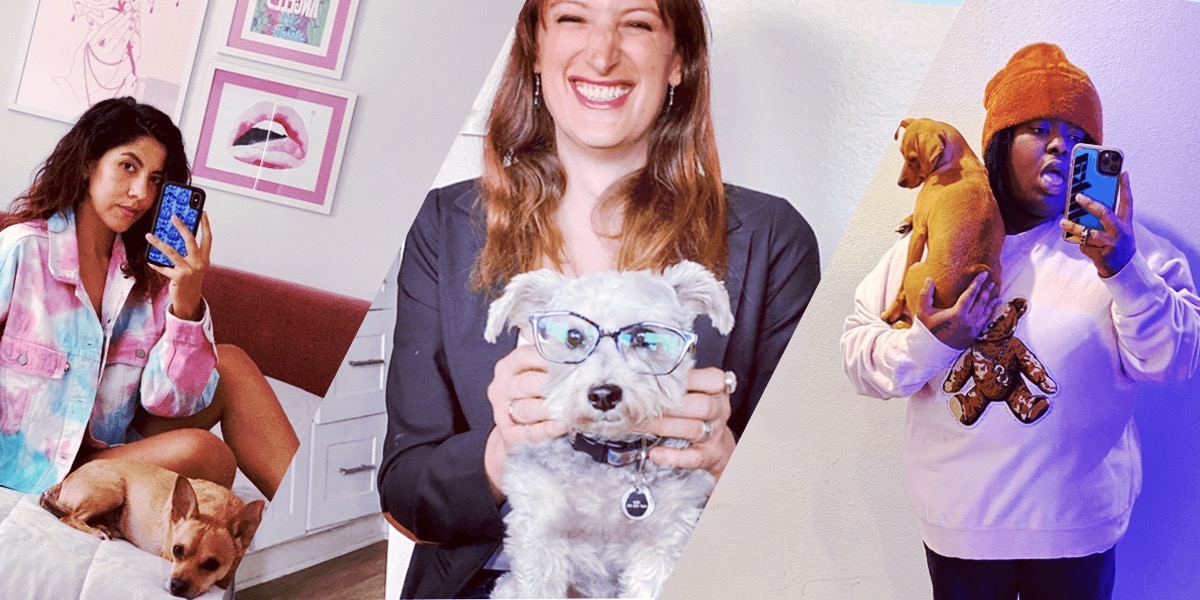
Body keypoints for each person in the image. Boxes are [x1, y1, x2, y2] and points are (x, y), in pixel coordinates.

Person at [377, 0, 820, 597]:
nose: (602, 53)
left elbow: (799, 501)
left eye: (637, 22)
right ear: (535, 48)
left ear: (678, 59)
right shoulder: (445, 225)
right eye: (573, 17)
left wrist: (724, 462)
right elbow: (404, 490)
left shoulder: (770, 239)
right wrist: (501, 450)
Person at [842, 43, 1200, 600]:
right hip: (961, 532)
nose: (1061, 144)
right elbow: (858, 358)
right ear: (999, 143)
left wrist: (1123, 270)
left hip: (1077, 535)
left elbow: (1174, 362)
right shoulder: (936, 238)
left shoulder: (1127, 247)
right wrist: (929, 344)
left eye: (1078, 135)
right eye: (1038, 128)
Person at [0, 97, 299, 500]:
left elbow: (169, 402)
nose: (141, 193)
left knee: (231, 364)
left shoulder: (151, 279)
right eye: (128, 166)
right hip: (30, 467)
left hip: (107, 456)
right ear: (88, 163)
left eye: (156, 179)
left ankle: (309, 512)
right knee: (208, 454)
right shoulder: (22, 250)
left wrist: (186, 305)